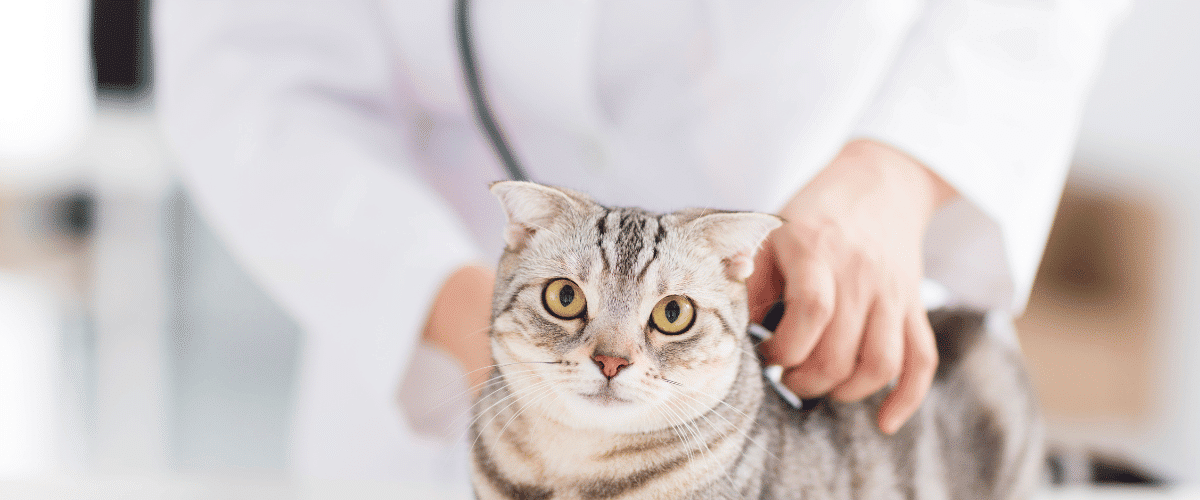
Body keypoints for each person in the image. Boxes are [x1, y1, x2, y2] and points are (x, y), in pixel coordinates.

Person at [155, 0, 1129, 485]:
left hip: (816, 266)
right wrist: (485, 336)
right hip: (438, 361)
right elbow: (247, 69)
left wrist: (902, 166)